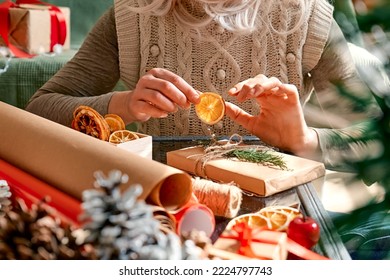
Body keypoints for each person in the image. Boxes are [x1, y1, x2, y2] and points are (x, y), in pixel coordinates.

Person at [25, 0, 388, 259]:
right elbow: (39, 110)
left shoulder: (306, 16)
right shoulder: (132, 14)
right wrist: (122, 104)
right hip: (160, 225)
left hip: (275, 236)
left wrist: (303, 140)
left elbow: (376, 146)